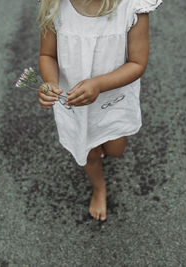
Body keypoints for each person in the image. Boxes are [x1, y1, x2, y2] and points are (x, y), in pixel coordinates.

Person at [36, 0, 162, 221]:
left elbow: (137, 62)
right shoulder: (55, 6)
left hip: (113, 98)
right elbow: (48, 55)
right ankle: (99, 187)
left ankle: (102, 148)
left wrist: (99, 84)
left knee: (115, 150)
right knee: (90, 152)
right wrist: (50, 83)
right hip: (74, 103)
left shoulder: (132, 6)